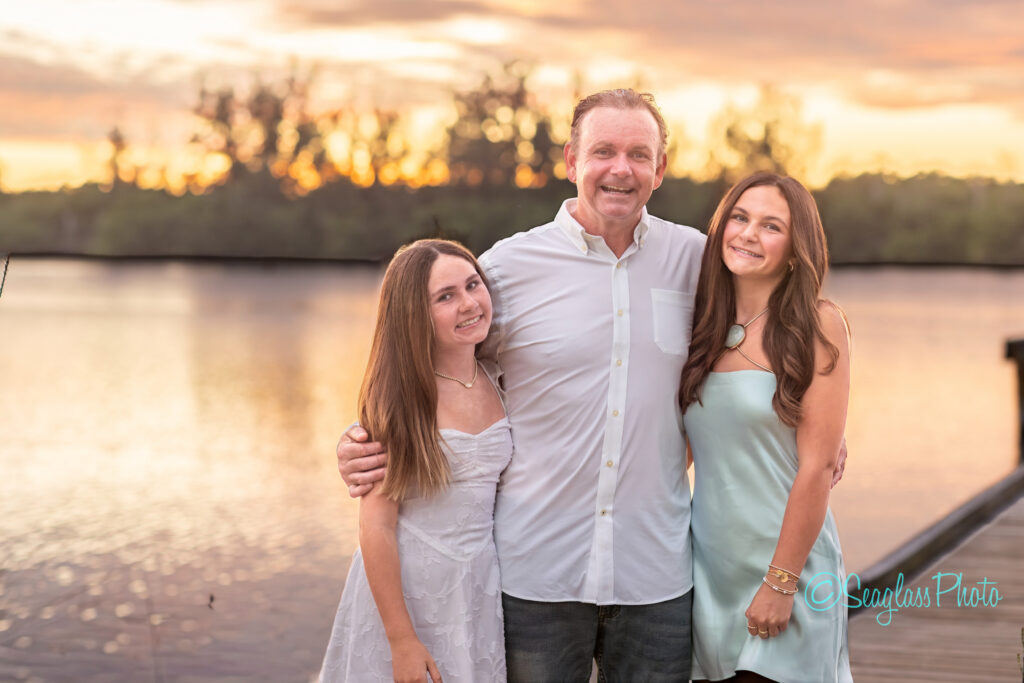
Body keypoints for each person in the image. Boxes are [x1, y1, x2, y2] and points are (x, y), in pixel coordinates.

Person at [339, 90, 846, 681]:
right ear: (570, 159)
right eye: (603, 150)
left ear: (660, 169)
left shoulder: (701, 262)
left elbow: (775, 330)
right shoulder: (504, 270)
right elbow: (425, 357)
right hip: (536, 575)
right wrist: (363, 437)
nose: (620, 169)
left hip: (658, 577)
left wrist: (816, 431)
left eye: (638, 154)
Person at [679, 172, 853, 682]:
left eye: (771, 225)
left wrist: (780, 583)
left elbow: (818, 465)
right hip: (709, 569)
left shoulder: (817, 324)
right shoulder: (700, 325)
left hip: (787, 569)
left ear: (796, 248)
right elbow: (683, 451)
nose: (749, 233)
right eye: (740, 217)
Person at [319, 239, 511, 682]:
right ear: (414, 316)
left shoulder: (497, 376)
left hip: (476, 587)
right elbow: (377, 526)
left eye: (472, 285)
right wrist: (401, 638)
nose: (468, 304)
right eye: (445, 297)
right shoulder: (402, 401)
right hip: (409, 593)